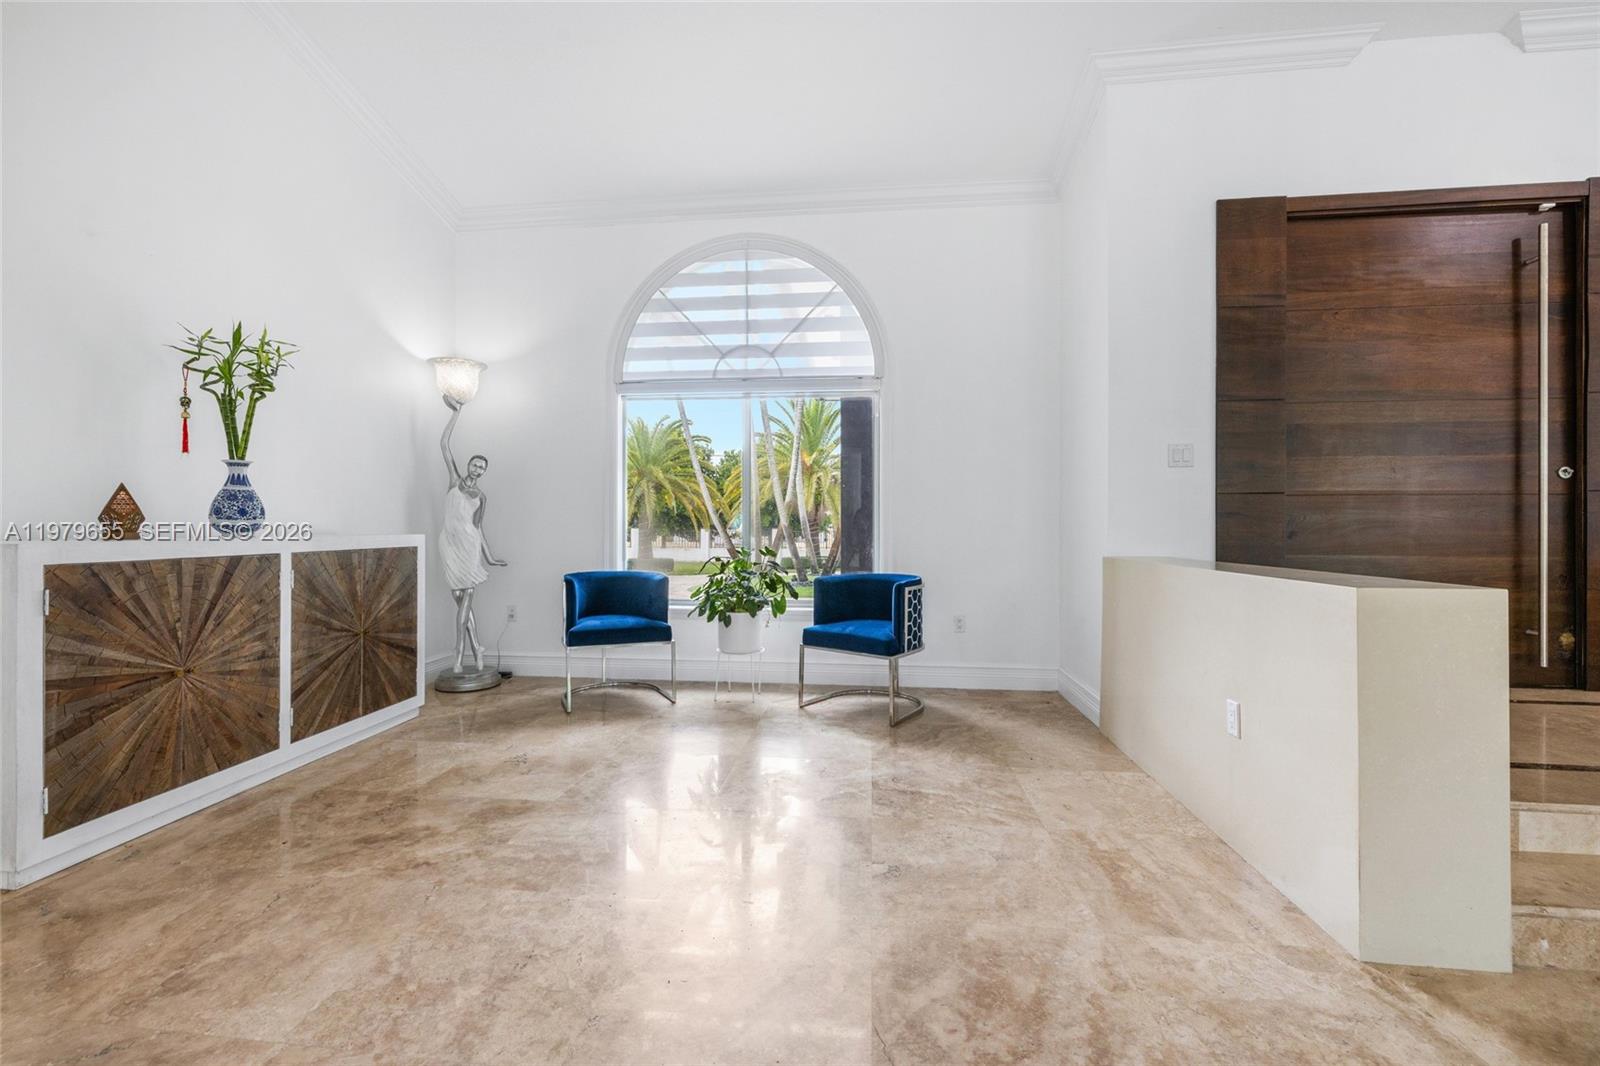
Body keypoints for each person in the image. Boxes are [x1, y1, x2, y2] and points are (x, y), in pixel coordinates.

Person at [440, 394, 506, 674]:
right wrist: (456, 414)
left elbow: (478, 529)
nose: (478, 468)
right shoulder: (454, 481)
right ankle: (478, 646)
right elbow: (444, 444)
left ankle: (458, 656)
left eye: (482, 467)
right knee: (459, 599)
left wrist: (489, 558)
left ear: (485, 472)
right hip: (448, 544)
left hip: (468, 547)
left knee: (466, 597)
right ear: (469, 465)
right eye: (475, 464)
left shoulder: (481, 497)